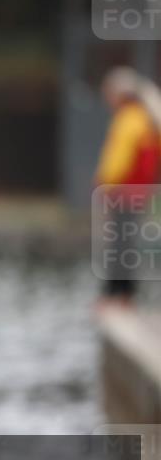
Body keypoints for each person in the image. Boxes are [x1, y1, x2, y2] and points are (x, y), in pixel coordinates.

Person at [94, 67, 161, 306]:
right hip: (139, 193)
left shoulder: (129, 119)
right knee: (126, 243)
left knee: (118, 244)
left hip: (123, 192)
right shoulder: (146, 118)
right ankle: (123, 294)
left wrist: (103, 183)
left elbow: (117, 161)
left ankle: (116, 294)